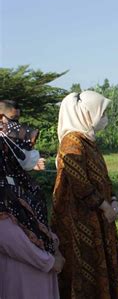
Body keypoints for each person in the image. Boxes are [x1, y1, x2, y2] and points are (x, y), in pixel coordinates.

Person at [51, 91, 118, 298]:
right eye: (101, 113)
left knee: (97, 263)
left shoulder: (88, 141)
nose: (104, 118)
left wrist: (113, 200)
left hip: (97, 215)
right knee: (83, 267)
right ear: (86, 113)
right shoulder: (71, 142)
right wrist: (104, 206)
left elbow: (103, 176)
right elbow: (80, 184)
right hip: (79, 219)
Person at [0, 100, 64, 299]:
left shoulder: (17, 177)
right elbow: (6, 234)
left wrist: (54, 245)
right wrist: (48, 261)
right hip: (22, 280)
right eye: (12, 121)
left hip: (40, 273)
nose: (20, 131)